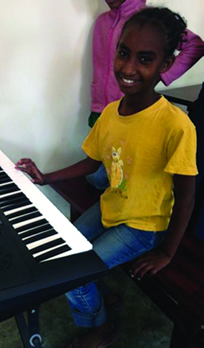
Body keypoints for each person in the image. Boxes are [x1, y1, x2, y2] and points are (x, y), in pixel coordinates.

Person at [16, 7, 197, 348]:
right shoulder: (112, 112)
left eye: (144, 59)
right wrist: (46, 177)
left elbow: (186, 196)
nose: (128, 68)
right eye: (124, 53)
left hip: (144, 226)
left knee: (73, 274)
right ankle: (102, 300)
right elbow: (92, 162)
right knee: (62, 252)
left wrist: (168, 252)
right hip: (111, 205)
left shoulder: (175, 125)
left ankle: (100, 328)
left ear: (165, 65)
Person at [87, 0, 204, 189]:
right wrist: (96, 103)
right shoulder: (102, 22)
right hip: (104, 110)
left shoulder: (149, 23)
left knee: (111, 177)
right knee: (97, 176)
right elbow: (101, 67)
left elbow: (195, 45)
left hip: (134, 115)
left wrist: (162, 76)